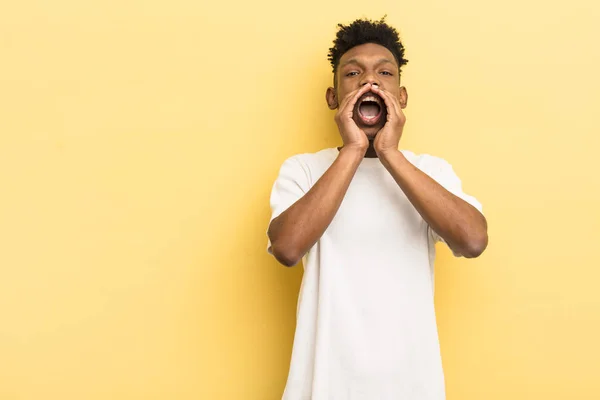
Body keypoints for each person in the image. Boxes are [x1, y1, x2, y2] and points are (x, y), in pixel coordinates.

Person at [266, 17, 488, 400]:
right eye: (353, 73)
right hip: (320, 387)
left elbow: (472, 240)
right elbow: (287, 247)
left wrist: (388, 152)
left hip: (412, 387)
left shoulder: (431, 171)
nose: (370, 82)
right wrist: (353, 148)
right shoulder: (303, 169)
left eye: (385, 72)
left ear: (401, 97)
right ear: (333, 98)